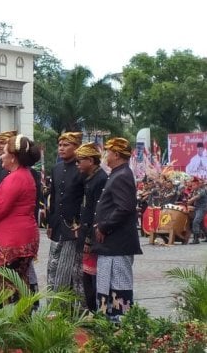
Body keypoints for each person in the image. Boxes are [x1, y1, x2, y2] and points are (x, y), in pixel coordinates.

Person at [93, 137, 143, 321]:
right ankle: (109, 323)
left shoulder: (122, 175)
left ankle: (121, 327)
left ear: (116, 154)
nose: (105, 155)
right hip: (111, 245)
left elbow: (125, 208)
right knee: (106, 286)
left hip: (117, 243)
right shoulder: (117, 173)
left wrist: (104, 226)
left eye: (108, 152)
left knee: (118, 287)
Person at [0, 134, 41, 290]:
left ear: (13, 157)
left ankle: (15, 315)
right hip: (23, 237)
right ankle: (23, 314)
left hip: (12, 240)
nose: (1, 155)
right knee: (20, 283)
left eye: (4, 152)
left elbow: (1, 207)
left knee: (10, 288)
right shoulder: (24, 175)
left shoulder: (16, 178)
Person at [47, 132, 85, 294]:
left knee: (70, 271)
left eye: (66, 145)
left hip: (74, 228)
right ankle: (52, 307)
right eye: (60, 145)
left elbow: (85, 201)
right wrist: (50, 223)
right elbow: (53, 197)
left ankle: (67, 310)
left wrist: (83, 225)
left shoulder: (82, 168)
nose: (61, 149)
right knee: (52, 267)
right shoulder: (56, 168)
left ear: (76, 148)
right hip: (57, 227)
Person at [73, 142, 108, 311]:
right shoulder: (90, 178)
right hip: (86, 230)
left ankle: (95, 311)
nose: (77, 164)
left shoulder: (100, 179)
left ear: (91, 160)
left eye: (80, 160)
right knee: (86, 274)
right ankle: (91, 309)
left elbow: (96, 211)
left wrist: (88, 237)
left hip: (93, 235)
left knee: (92, 276)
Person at [188, 177, 207, 244]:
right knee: (201, 224)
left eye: (194, 185)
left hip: (202, 208)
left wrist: (190, 200)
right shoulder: (194, 191)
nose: (192, 186)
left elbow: (196, 197)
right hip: (197, 208)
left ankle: (196, 239)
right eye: (192, 185)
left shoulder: (201, 190)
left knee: (196, 221)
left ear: (198, 185)